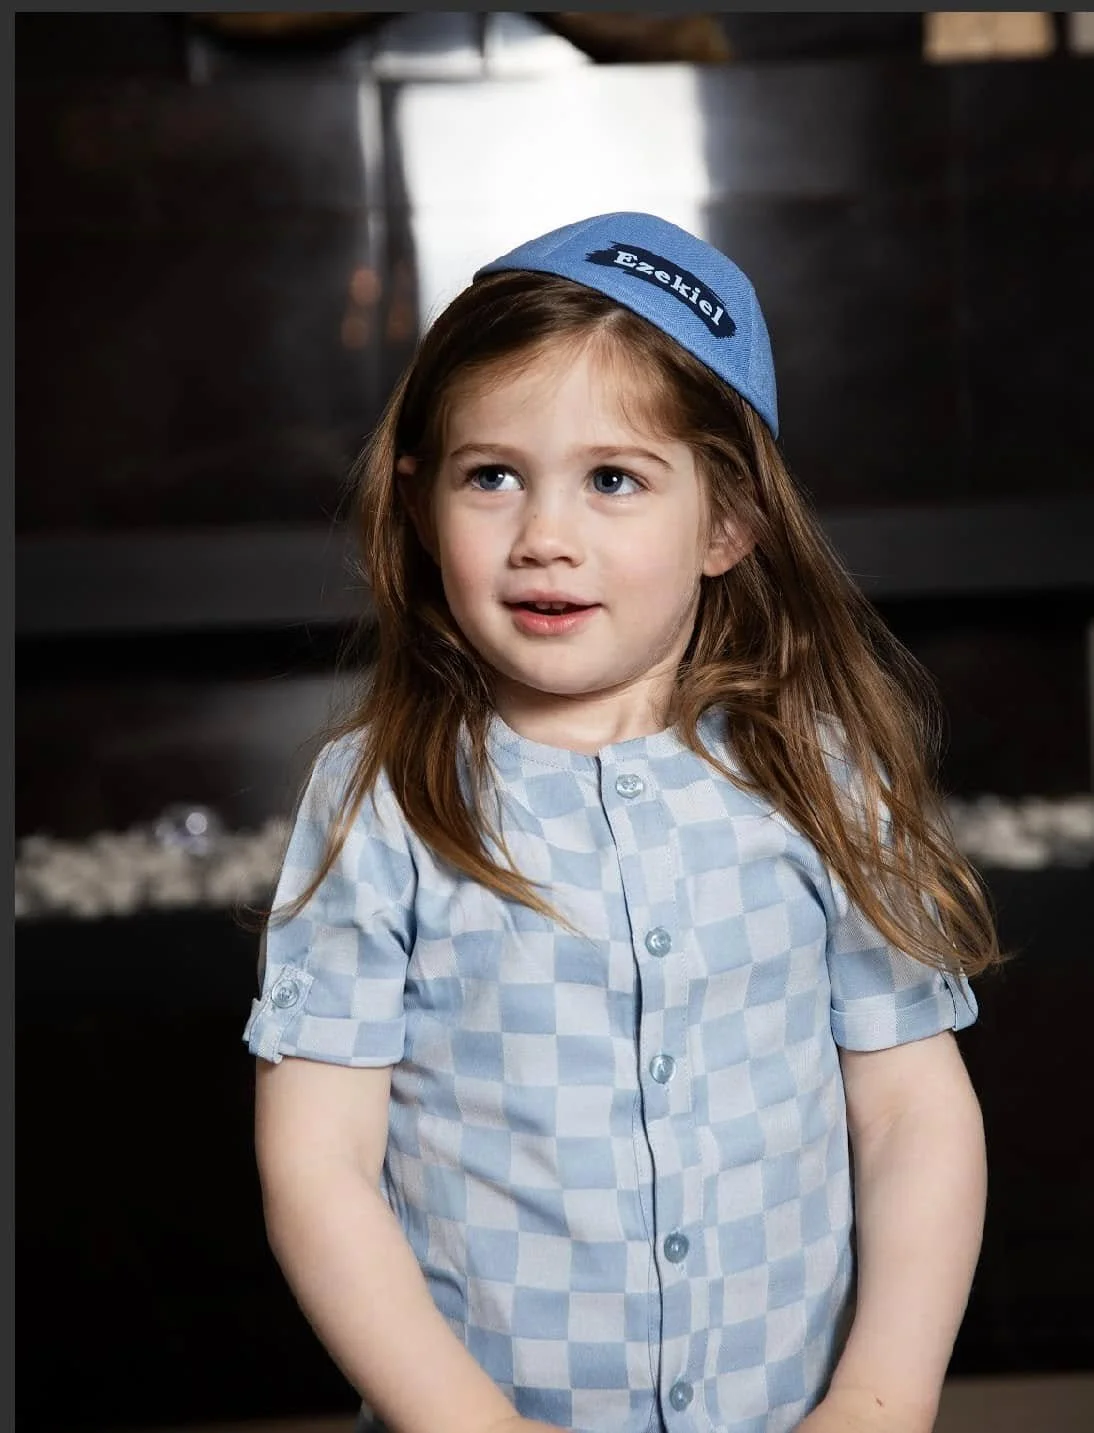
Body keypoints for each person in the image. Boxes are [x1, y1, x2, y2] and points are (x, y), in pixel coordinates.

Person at [245, 213, 1000, 1433]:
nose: (546, 535)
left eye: (612, 479)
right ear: (419, 500)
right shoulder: (379, 799)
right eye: (491, 475)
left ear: (725, 522)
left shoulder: (812, 773)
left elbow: (911, 1110)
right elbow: (317, 1163)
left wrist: (881, 1395)